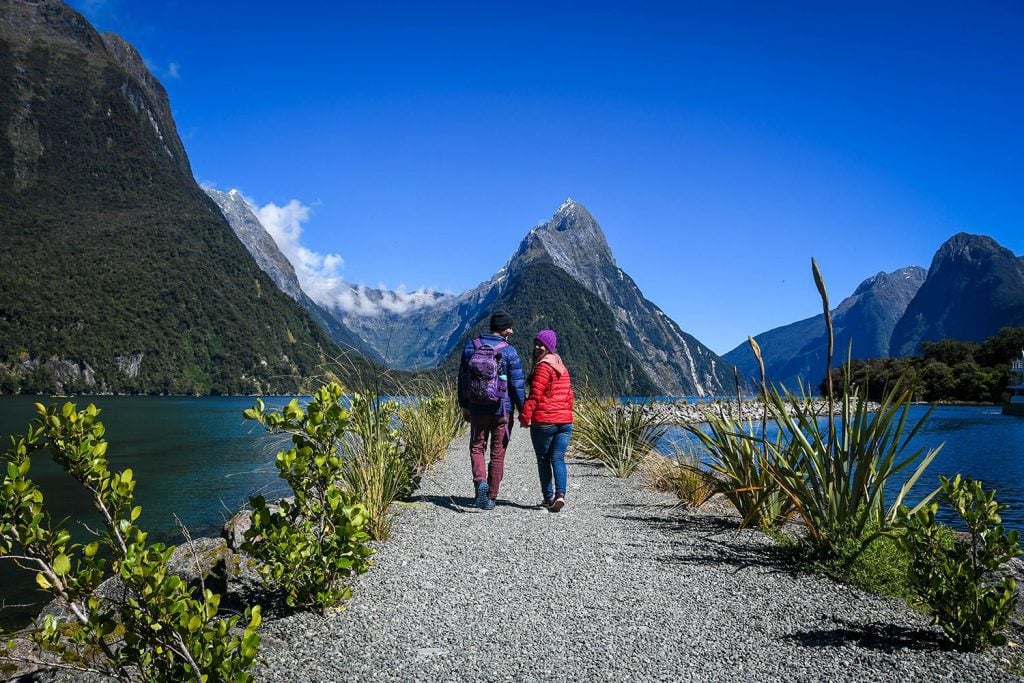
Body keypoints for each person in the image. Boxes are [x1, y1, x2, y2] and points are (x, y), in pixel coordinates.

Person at [457, 310, 526, 510]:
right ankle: (490, 498)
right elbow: (516, 385)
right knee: (498, 453)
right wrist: (524, 410)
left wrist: (464, 405)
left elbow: (462, 380)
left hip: (477, 408)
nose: (511, 331)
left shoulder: (471, 347)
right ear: (503, 329)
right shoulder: (509, 351)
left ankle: (480, 482)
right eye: (509, 327)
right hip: (501, 410)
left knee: (477, 447)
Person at [519, 328, 574, 512]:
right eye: (536, 343)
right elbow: (570, 395)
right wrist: (566, 413)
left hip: (545, 422)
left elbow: (535, 395)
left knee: (543, 459)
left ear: (549, 347)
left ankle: (548, 497)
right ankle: (561, 495)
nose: (537, 346)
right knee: (558, 458)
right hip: (565, 422)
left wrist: (525, 416)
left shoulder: (543, 367)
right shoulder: (562, 366)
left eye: (542, 344)